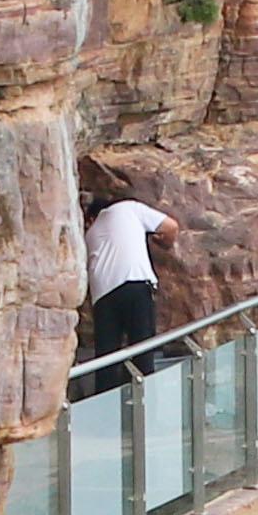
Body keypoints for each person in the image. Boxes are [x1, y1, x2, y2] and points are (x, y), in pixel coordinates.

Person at [75, 161, 174, 393]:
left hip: (103, 298)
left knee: (107, 360)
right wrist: (162, 242)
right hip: (136, 285)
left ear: (90, 218)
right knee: (143, 353)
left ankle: (106, 418)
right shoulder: (130, 208)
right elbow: (171, 227)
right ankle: (145, 413)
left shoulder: (88, 235)